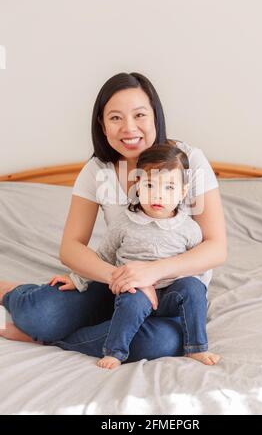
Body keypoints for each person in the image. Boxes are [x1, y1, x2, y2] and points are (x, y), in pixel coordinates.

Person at [0, 72, 227, 364]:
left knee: (162, 342)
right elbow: (71, 247)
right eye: (116, 118)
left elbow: (215, 246)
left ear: (155, 116)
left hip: (173, 294)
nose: (129, 128)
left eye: (140, 115)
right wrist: (121, 277)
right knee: (42, 314)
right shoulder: (99, 170)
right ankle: (9, 292)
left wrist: (153, 272)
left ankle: (47, 338)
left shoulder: (187, 162)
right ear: (102, 124)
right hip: (117, 284)